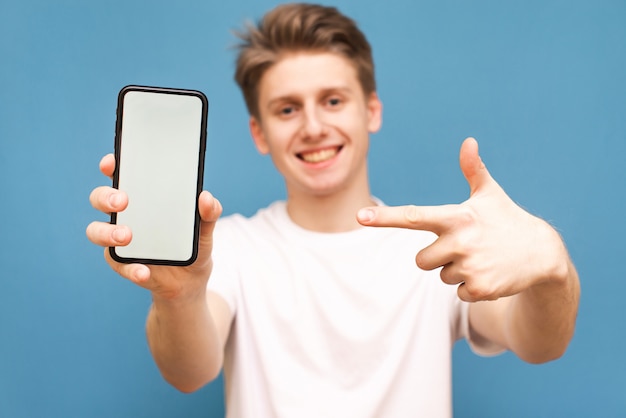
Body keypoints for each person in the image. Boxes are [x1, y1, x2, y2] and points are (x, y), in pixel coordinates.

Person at [87, 3, 580, 417]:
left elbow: (539, 343)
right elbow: (189, 373)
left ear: (372, 111)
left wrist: (552, 267)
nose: (314, 126)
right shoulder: (228, 249)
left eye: (333, 100)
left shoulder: (437, 248)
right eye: (287, 109)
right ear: (260, 133)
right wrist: (178, 297)